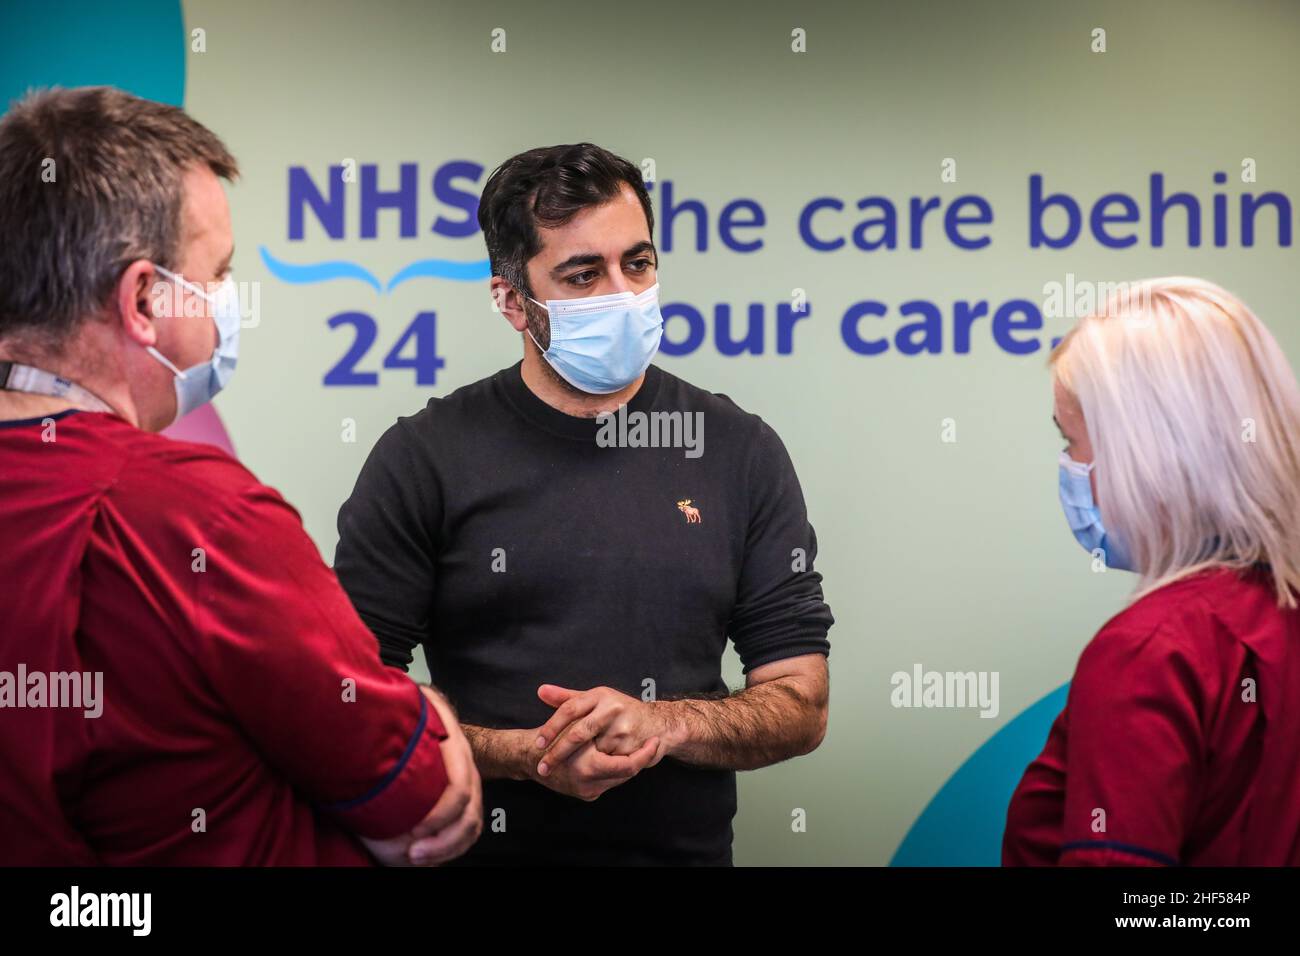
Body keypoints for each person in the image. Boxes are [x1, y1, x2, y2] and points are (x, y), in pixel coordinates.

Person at [0, 86, 481, 865]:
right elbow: (417, 792)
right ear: (143, 299)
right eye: (217, 273)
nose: (230, 302)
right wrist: (435, 715)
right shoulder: (202, 515)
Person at [334, 142, 833, 865]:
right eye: (582, 274)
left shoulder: (737, 449)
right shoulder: (424, 457)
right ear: (512, 301)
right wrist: (524, 754)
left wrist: (664, 725)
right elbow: (348, 702)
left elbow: (800, 704)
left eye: (638, 263)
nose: (622, 294)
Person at [1003, 277, 1300, 866]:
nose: (1069, 467)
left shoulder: (1151, 650)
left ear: (1147, 452)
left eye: (1073, 441)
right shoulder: (1276, 615)